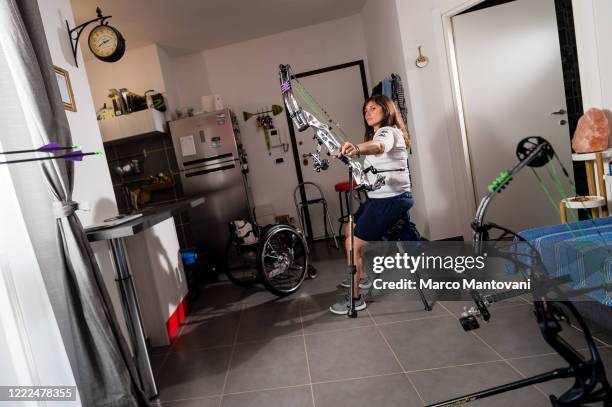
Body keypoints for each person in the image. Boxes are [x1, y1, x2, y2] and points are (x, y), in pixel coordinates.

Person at [329, 94, 413, 315]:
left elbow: (378, 146)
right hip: (379, 199)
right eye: (365, 110)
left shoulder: (388, 132)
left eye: (373, 108)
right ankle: (362, 278)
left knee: (352, 246)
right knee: (348, 228)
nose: (368, 113)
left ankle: (355, 300)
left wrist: (355, 148)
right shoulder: (379, 133)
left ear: (386, 110)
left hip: (390, 201)